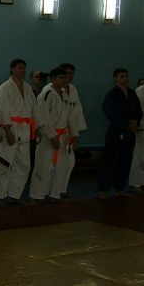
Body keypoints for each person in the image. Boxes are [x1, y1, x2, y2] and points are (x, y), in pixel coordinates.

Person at [0, 59, 36, 205]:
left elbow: (33, 109)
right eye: (20, 68)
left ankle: (14, 196)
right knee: (4, 164)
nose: (23, 71)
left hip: (25, 130)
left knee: (24, 166)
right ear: (12, 69)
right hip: (10, 128)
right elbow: (1, 110)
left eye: (24, 68)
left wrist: (36, 129)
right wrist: (7, 130)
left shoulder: (27, 87)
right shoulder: (4, 87)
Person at [29, 68, 75, 202]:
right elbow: (41, 117)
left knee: (61, 167)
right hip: (47, 136)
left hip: (63, 134)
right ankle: (36, 196)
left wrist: (73, 134)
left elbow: (70, 116)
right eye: (61, 77)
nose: (64, 80)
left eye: (65, 77)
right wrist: (52, 135)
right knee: (42, 167)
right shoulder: (46, 94)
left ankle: (55, 194)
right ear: (53, 79)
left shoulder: (65, 95)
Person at [97, 68, 143, 197]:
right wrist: (126, 124)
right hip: (116, 131)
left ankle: (119, 187)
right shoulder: (112, 94)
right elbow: (110, 111)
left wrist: (136, 122)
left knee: (125, 160)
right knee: (110, 160)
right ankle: (103, 189)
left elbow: (139, 111)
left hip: (129, 132)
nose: (125, 79)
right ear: (115, 79)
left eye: (127, 76)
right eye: (122, 76)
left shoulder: (132, 93)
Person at [58, 63, 87, 197]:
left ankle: (62, 189)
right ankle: (52, 191)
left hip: (70, 131)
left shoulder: (73, 89)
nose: (69, 76)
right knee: (55, 164)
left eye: (72, 73)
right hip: (56, 131)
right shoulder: (53, 89)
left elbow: (77, 111)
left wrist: (76, 133)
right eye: (67, 73)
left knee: (69, 162)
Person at [128, 79, 144, 192]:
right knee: (139, 155)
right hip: (142, 126)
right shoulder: (141, 90)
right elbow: (135, 109)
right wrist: (136, 123)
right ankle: (136, 183)